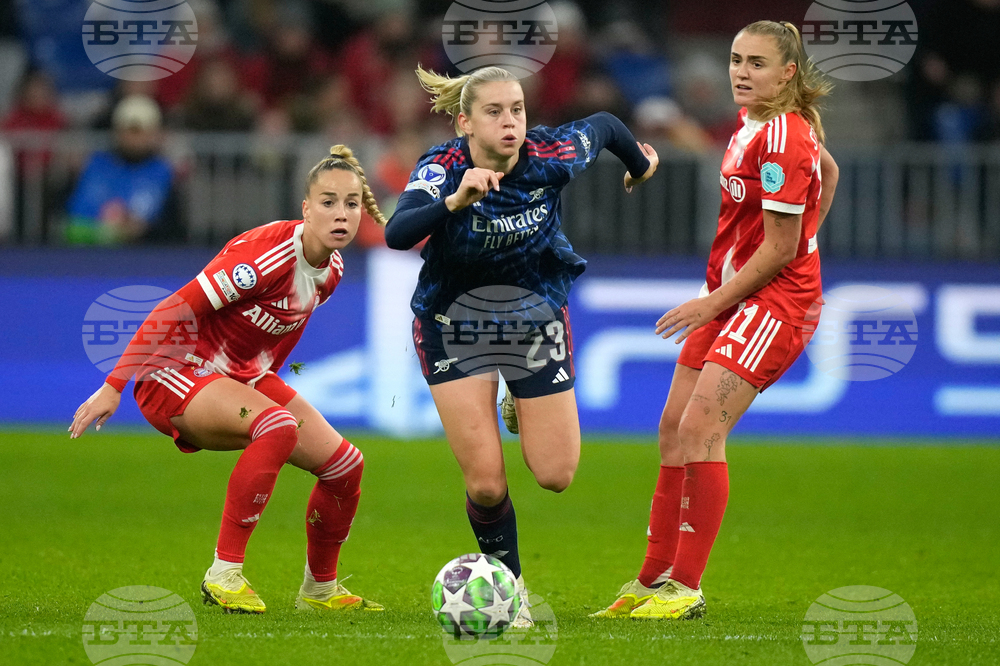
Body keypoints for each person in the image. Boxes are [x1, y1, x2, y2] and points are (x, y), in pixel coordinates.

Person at [384, 65, 658, 626]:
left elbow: (605, 125)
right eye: (494, 112)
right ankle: (511, 589)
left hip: (533, 320)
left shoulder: (550, 154)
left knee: (556, 475)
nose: (510, 122)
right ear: (465, 122)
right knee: (486, 483)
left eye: (517, 109)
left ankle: (518, 397)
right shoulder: (443, 168)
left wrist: (639, 166)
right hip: (452, 323)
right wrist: (454, 202)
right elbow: (397, 232)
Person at [591, 20, 841, 620]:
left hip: (773, 303)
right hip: (733, 294)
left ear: (787, 74)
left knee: (702, 425)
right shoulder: (754, 121)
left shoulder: (782, 137)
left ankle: (686, 587)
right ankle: (652, 580)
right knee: (673, 425)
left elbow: (780, 249)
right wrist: (805, 237)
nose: (740, 71)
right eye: (735, 59)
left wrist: (719, 297)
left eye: (756, 63)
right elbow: (828, 172)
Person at [69, 145, 387, 615]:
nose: (341, 214)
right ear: (305, 208)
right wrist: (115, 385)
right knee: (276, 426)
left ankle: (320, 590)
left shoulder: (331, 271)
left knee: (345, 467)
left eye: (351, 203)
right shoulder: (264, 257)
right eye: (328, 202)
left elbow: (279, 337)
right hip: (173, 372)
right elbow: (174, 308)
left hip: (241, 376)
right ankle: (224, 574)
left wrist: (259, 386)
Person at [65, 95, 184, 245]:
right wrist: (108, 232)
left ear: (154, 133)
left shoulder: (164, 172)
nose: (133, 139)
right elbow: (72, 225)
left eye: (139, 131)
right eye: (128, 130)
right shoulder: (96, 165)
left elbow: (175, 231)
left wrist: (143, 230)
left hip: (146, 257)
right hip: (92, 255)